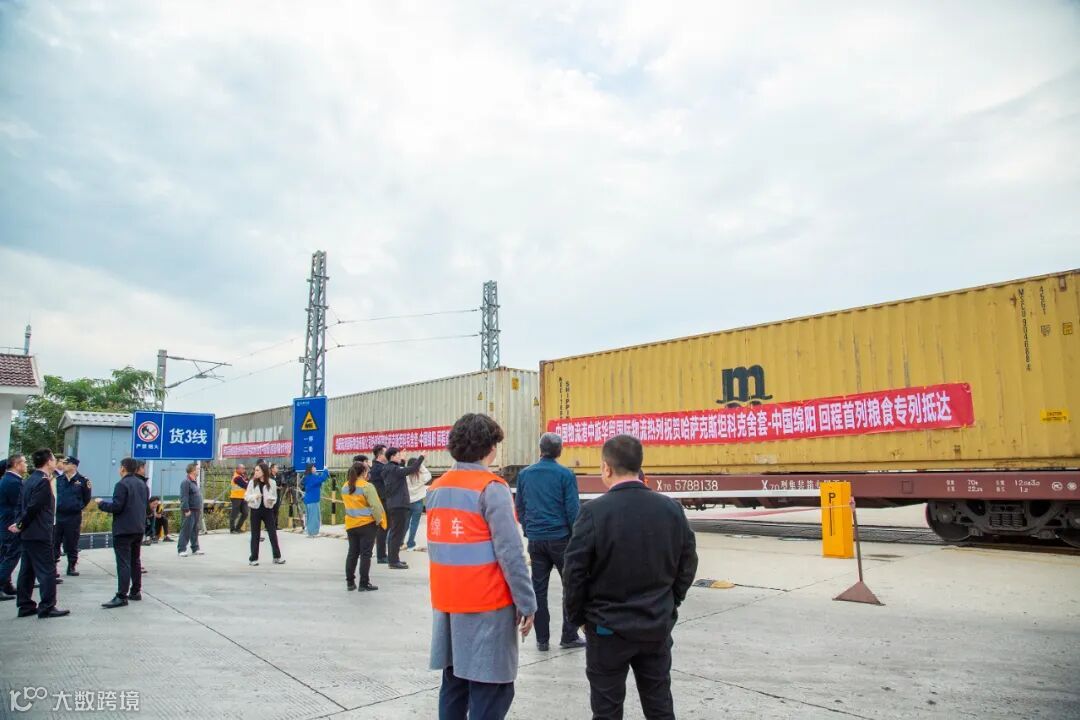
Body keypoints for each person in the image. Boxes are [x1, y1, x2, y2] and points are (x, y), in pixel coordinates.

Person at [563, 435, 699, 720]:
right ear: (639, 465)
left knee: (607, 709)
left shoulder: (593, 512)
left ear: (606, 467)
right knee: (659, 705)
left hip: (607, 628)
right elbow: (688, 563)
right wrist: (669, 602)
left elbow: (574, 573)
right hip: (655, 625)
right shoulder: (670, 509)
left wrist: (578, 618)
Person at [428, 413, 537, 720]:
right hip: (487, 604)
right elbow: (511, 553)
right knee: (492, 690)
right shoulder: (491, 488)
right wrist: (527, 602)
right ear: (490, 448)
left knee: (455, 684)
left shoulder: (437, 488)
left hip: (448, 604)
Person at [514, 432, 585, 652]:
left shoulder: (525, 474)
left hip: (536, 541)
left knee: (539, 590)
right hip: (561, 539)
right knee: (570, 587)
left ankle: (542, 640)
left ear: (540, 449)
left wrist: (529, 529)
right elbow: (572, 510)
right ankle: (569, 635)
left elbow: (520, 506)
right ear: (559, 451)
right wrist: (576, 537)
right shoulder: (565, 474)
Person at [8, 449, 70, 618]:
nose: (55, 462)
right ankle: (47, 606)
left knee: (27, 570)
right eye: (53, 459)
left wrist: (19, 524)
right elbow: (33, 507)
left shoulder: (29, 480)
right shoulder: (42, 482)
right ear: (48, 461)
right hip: (40, 532)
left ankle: (25, 605)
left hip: (28, 533)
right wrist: (20, 524)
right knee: (47, 570)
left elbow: (20, 506)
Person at [96, 457, 150, 609]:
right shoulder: (143, 485)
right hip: (138, 528)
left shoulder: (121, 484)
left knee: (123, 563)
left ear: (123, 468)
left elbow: (117, 507)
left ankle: (121, 595)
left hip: (124, 529)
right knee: (135, 560)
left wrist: (101, 504)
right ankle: (136, 591)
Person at [341, 461, 386, 591]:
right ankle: (363, 583)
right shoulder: (367, 486)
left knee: (352, 553)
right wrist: (378, 520)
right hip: (367, 525)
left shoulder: (345, 486)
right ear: (364, 472)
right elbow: (376, 506)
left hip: (351, 525)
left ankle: (350, 583)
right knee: (365, 554)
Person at [382, 448, 424, 569]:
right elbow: (412, 469)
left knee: (395, 533)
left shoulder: (389, 469)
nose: (400, 457)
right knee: (396, 534)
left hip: (394, 504)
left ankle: (394, 559)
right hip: (398, 505)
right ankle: (393, 561)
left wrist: (403, 460)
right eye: (398, 455)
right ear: (392, 457)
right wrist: (421, 457)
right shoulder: (393, 469)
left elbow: (400, 470)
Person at [53, 456, 93, 577]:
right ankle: (53, 567)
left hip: (73, 516)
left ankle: (71, 566)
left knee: (72, 541)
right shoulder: (59, 479)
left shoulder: (83, 480)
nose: (63, 465)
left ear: (74, 466)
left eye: (66, 464)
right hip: (59, 515)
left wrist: (78, 506)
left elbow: (87, 498)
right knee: (55, 541)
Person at [0, 454, 28, 601]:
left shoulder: (9, 479)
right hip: (10, 524)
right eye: (24, 462)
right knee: (11, 555)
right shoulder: (13, 482)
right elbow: (19, 505)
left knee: (6, 554)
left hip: (7, 523)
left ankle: (6, 584)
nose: (26, 464)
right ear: (17, 464)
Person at [245, 462, 284, 566]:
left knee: (273, 534)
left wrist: (271, 500)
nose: (255, 472)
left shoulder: (272, 482)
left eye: (258, 470)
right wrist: (255, 496)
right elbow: (246, 496)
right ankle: (253, 559)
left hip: (268, 510)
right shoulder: (252, 482)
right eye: (255, 470)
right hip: (255, 510)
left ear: (264, 471)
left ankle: (277, 557)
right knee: (255, 535)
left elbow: (275, 496)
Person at [368, 445, 389, 564]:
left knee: (382, 528)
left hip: (381, 500)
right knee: (383, 528)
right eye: (386, 453)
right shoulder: (378, 468)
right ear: (380, 455)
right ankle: (381, 556)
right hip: (381, 501)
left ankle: (381, 554)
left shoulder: (377, 466)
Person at [177, 463, 204, 557]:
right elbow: (184, 497)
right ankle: (181, 549)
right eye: (197, 469)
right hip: (189, 510)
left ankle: (195, 548)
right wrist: (186, 509)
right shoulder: (186, 482)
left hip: (196, 510)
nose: (198, 470)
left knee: (194, 530)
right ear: (192, 471)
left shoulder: (194, 482)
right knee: (186, 530)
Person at [405, 458, 431, 550]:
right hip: (418, 503)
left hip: (407, 502)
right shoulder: (421, 477)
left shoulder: (405, 476)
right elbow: (429, 475)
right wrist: (420, 465)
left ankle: (399, 542)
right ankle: (410, 543)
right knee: (414, 524)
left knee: (405, 523)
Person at [302, 464, 327, 538]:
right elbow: (323, 478)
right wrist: (325, 470)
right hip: (313, 500)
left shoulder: (307, 477)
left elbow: (318, 481)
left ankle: (310, 532)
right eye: (313, 467)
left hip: (308, 500)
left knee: (310, 517)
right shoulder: (312, 477)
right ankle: (313, 533)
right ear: (311, 469)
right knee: (314, 517)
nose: (315, 468)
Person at [229, 464, 249, 533]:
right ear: (237, 469)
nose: (244, 470)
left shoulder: (242, 476)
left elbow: (247, 483)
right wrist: (247, 481)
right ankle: (232, 529)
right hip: (236, 497)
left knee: (245, 513)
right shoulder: (237, 477)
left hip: (243, 497)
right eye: (242, 468)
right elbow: (246, 485)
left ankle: (238, 528)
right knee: (234, 514)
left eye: (244, 468)